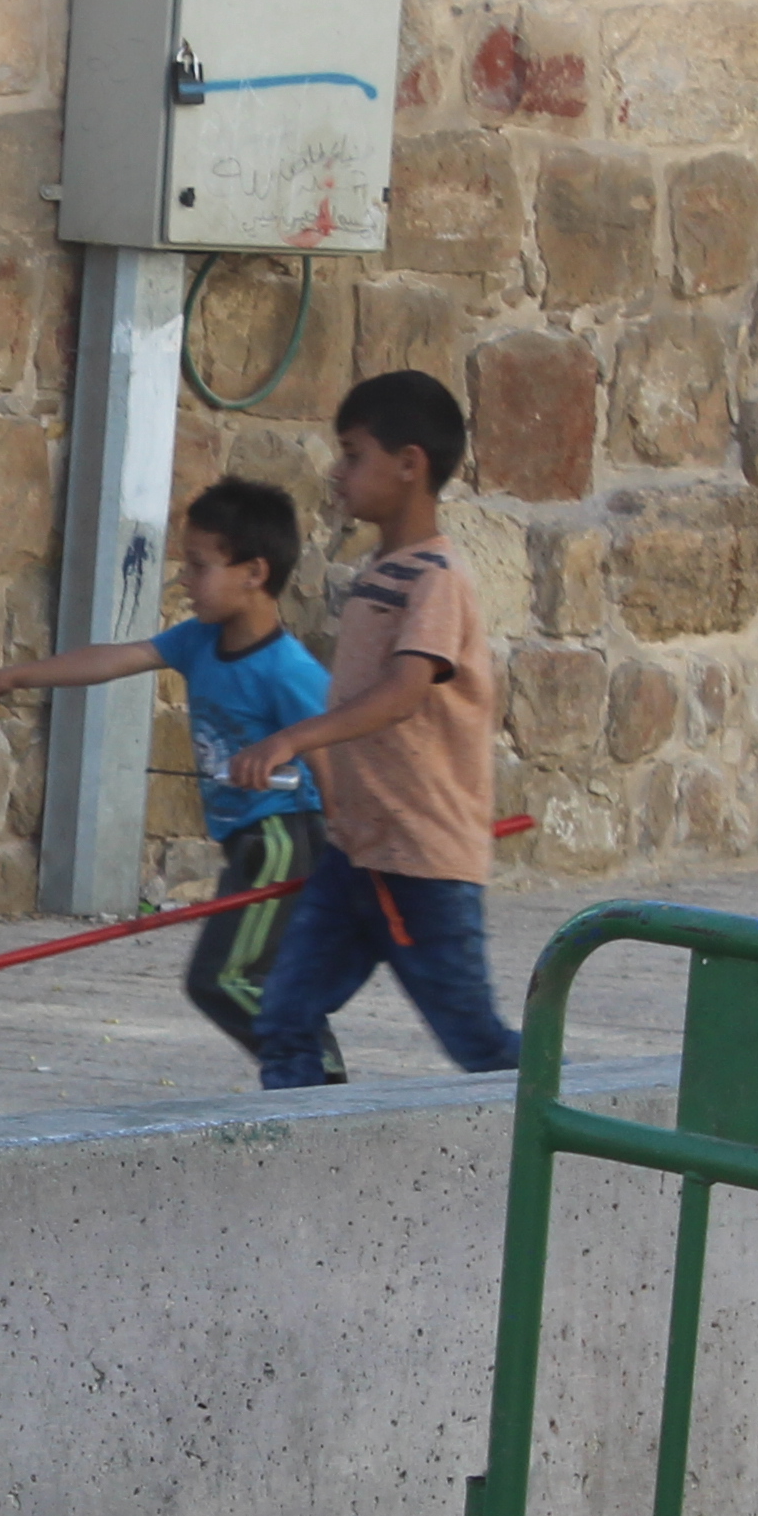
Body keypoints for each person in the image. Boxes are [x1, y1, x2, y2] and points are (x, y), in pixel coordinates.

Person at [0, 474, 342, 1081]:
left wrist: (347, 853)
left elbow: (332, 756)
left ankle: (311, 1075)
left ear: (254, 573)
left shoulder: (288, 670)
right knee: (263, 974)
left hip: (282, 841)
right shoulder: (198, 641)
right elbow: (114, 658)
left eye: (199, 566)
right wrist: (14, 676)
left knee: (223, 980)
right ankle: (310, 1075)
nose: (185, 580)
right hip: (249, 843)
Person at [222, 370, 518, 1089]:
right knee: (284, 1015)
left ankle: (597, 1119)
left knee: (477, 1043)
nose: (339, 472)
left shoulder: (437, 578)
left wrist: (295, 738)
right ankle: (300, 1152)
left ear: (409, 463)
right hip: (356, 853)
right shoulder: (378, 572)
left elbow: (404, 693)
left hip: (420, 864)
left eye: (354, 454)